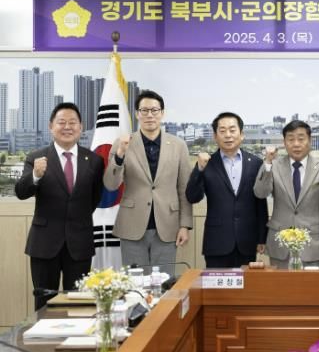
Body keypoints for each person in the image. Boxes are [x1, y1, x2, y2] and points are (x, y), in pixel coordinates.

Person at [15, 103, 104, 309]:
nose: (67, 127)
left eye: (72, 122)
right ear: (51, 126)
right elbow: (21, 192)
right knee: (44, 304)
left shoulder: (94, 160)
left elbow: (94, 198)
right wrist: (35, 175)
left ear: (81, 127)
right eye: (61, 122)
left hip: (80, 244)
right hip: (44, 244)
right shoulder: (36, 157)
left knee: (79, 304)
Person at [103, 90, 192, 275]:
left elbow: (184, 189)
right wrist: (120, 155)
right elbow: (111, 184)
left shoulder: (178, 145)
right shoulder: (122, 143)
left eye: (154, 110)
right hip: (132, 226)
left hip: (168, 226)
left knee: (164, 282)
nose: (149, 115)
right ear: (137, 114)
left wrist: (185, 225)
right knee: (134, 284)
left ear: (162, 113)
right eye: (144, 110)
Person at [186, 112, 268, 268]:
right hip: (217, 242)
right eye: (222, 131)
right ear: (215, 136)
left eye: (232, 130)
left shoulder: (256, 163)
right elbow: (192, 197)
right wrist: (199, 170)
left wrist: (261, 238)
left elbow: (260, 203)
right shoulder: (207, 163)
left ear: (241, 134)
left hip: (247, 241)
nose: (228, 135)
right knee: (216, 284)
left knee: (246, 283)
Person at [253, 120, 319, 269]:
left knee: (310, 284)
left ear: (310, 140)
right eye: (291, 139)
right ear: (284, 142)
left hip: (311, 244)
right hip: (280, 243)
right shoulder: (273, 166)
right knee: (280, 284)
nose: (296, 144)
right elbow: (260, 193)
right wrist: (268, 163)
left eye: (301, 139)